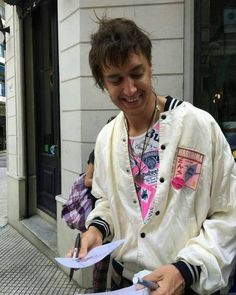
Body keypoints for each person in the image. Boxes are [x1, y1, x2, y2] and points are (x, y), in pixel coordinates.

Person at [74, 17, 236, 294]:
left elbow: (228, 211)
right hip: (124, 282)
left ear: (150, 66)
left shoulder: (199, 127)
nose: (130, 89)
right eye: (115, 80)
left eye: (137, 73)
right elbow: (107, 201)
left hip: (187, 285)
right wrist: (96, 230)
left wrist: (184, 270)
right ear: (103, 83)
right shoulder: (106, 139)